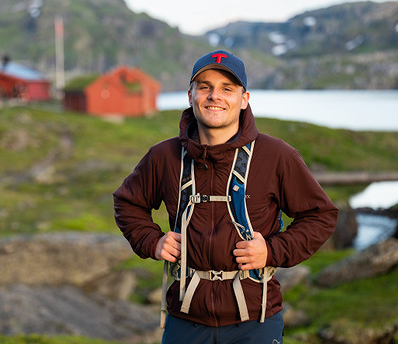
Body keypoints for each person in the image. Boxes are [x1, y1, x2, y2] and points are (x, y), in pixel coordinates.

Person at [113, 50, 338, 343]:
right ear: (190, 95)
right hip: (185, 318)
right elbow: (127, 203)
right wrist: (152, 241)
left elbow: (320, 215)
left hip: (256, 320)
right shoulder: (163, 156)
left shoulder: (276, 155)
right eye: (204, 86)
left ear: (244, 99)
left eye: (227, 89)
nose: (214, 96)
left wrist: (271, 251)